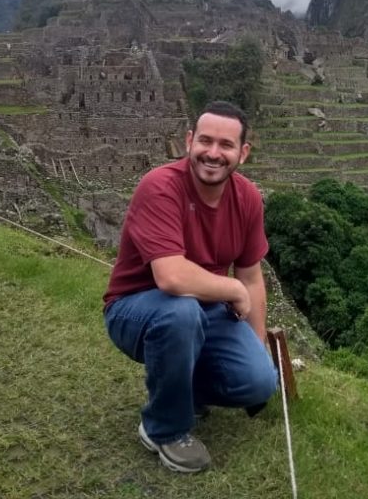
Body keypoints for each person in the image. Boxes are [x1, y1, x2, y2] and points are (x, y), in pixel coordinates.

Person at [103, 100, 278, 473]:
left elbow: (252, 277)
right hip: (136, 308)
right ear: (188, 141)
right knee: (180, 312)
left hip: (205, 310)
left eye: (226, 145)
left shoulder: (247, 199)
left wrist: (258, 347)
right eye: (205, 141)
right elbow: (171, 277)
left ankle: (183, 389)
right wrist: (232, 291)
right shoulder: (160, 187)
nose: (213, 153)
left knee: (260, 381)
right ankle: (164, 429)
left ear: (243, 153)